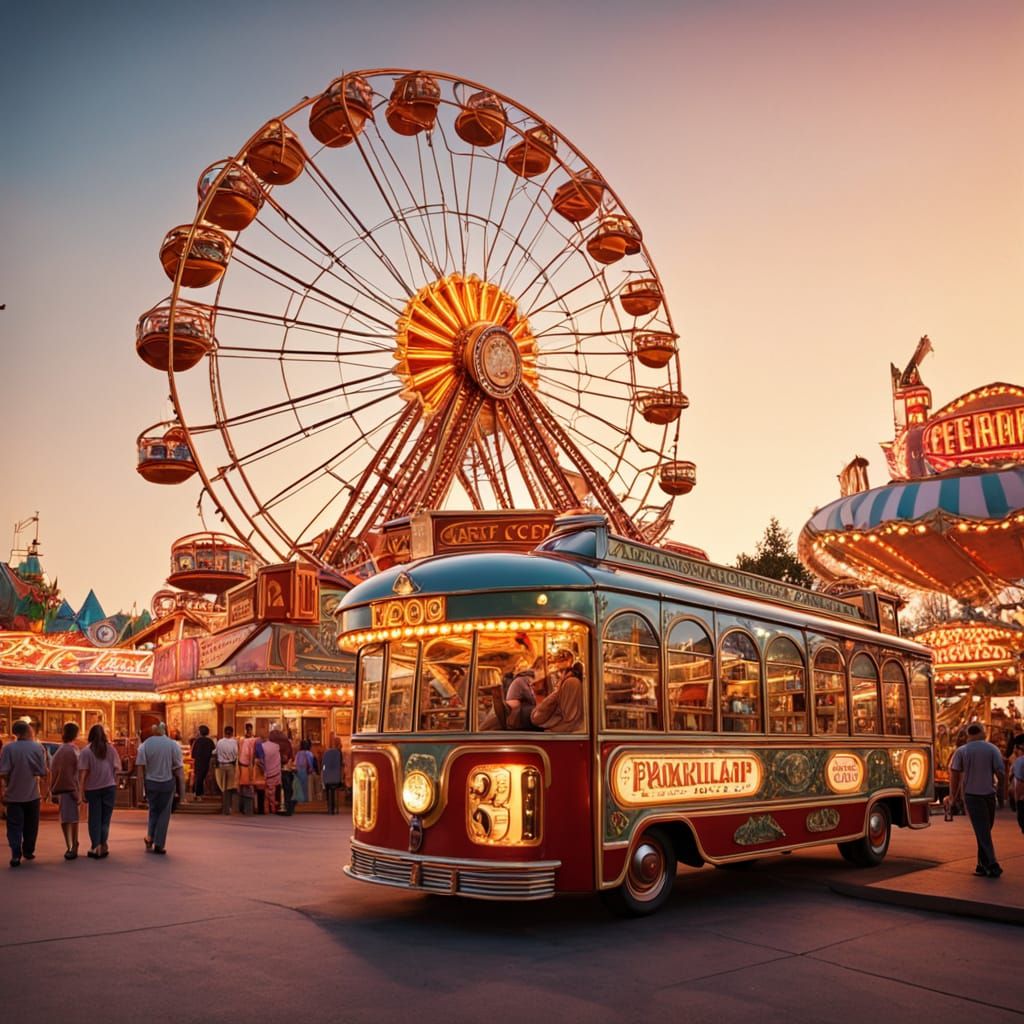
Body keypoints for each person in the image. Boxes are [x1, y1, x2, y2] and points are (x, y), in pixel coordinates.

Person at [949, 722, 1006, 878]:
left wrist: (953, 797)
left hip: (971, 796)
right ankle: (993, 864)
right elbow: (1000, 773)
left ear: (968, 735)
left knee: (983, 832)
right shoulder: (993, 749)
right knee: (985, 831)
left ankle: (982, 865)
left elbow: (954, 775)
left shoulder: (962, 751)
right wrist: (1001, 793)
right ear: (983, 733)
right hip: (989, 795)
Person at [0, 719, 48, 867]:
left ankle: (15, 854)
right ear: (28, 731)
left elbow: (3, 773)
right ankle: (28, 850)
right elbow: (42, 771)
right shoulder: (38, 748)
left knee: (14, 825)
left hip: (13, 795)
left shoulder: (8, 749)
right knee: (31, 825)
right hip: (32, 794)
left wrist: (3, 790)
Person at [136, 722, 185, 854]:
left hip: (151, 783)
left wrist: (140, 791)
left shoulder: (145, 745)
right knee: (164, 813)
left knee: (153, 810)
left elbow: (140, 769)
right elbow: (179, 770)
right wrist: (183, 793)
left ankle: (150, 837)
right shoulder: (173, 745)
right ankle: (159, 843)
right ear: (165, 730)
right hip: (167, 783)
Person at [78, 724, 122, 859]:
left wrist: (81, 791)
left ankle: (95, 846)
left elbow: (83, 774)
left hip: (93, 789)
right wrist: (114, 782)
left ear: (90, 736)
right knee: (105, 819)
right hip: (109, 787)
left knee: (94, 818)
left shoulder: (86, 751)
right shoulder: (111, 749)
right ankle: (103, 844)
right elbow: (117, 769)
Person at [49, 721, 82, 860]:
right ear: (76, 734)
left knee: (65, 819)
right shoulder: (72, 750)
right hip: (70, 788)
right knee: (72, 819)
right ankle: (72, 845)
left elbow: (54, 770)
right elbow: (72, 773)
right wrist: (76, 791)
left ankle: (70, 845)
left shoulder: (60, 750)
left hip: (63, 788)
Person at [531, 650, 584, 733]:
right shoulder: (564, 679)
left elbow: (570, 716)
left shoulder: (571, 681)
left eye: (561, 660)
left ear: (569, 661)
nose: (557, 664)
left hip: (568, 729)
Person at [214, 725, 239, 815]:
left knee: (223, 788)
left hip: (221, 766)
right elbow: (236, 753)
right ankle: (229, 808)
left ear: (224, 732)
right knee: (230, 788)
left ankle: (224, 808)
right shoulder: (234, 742)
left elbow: (215, 752)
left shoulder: (220, 742)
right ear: (232, 733)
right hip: (230, 766)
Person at [259, 730, 282, 815]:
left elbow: (261, 760)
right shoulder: (276, 746)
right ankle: (274, 807)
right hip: (276, 772)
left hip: (266, 772)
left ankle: (267, 809)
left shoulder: (261, 746)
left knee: (266, 792)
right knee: (274, 791)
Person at [190, 724, 215, 799]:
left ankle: (198, 794)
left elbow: (193, 754)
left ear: (200, 732)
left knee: (199, 778)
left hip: (198, 763)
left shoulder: (197, 741)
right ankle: (204, 793)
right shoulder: (210, 741)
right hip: (207, 762)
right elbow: (213, 752)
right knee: (204, 778)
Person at [322, 736, 345, 815]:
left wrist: (324, 772)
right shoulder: (339, 753)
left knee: (328, 789)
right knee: (334, 789)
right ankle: (334, 808)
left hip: (327, 777)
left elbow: (323, 765)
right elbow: (341, 765)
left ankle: (329, 807)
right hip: (336, 778)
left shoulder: (326, 753)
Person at [294, 738, 317, 804]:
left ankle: (300, 799)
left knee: (299, 785)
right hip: (305, 770)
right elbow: (311, 762)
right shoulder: (309, 753)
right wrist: (311, 769)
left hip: (299, 769)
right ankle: (306, 798)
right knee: (306, 785)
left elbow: (295, 762)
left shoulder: (298, 753)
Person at [1011, 734, 1024, 835]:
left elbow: (1019, 783)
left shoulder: (1020, 761)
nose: (1015, 750)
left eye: (1016, 747)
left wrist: (1016, 799)